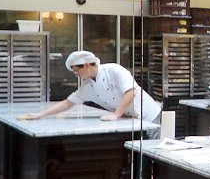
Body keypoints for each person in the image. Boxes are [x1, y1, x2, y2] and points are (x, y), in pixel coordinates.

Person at [24, 50, 162, 124]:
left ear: (86, 65)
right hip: (132, 120)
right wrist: (39, 115)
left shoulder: (114, 70)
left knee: (152, 154)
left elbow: (131, 92)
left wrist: (116, 114)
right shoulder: (88, 86)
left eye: (76, 71)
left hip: (149, 115)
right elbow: (68, 103)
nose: (76, 75)